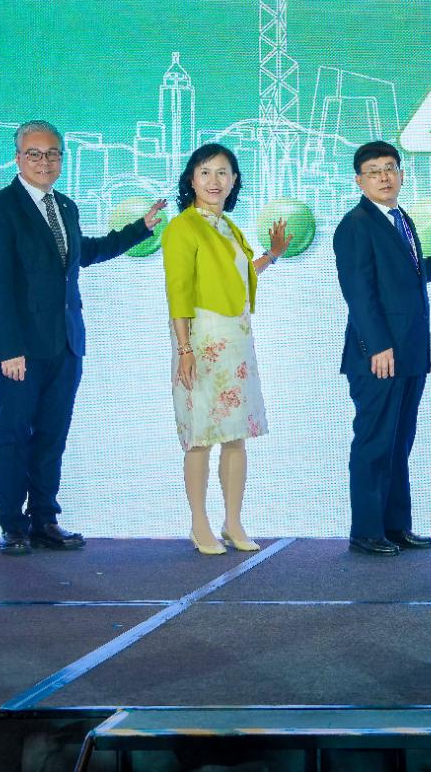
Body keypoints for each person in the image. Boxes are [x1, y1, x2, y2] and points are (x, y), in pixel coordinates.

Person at [0, 120, 166, 557]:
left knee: (52, 434)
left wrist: (139, 228)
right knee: (14, 433)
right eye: (35, 154)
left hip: (65, 342)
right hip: (18, 348)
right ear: (18, 159)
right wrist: (10, 348)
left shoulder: (65, 206)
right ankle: (13, 525)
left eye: (53, 153)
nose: (44, 161)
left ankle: (44, 519)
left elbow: (85, 253)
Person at [332, 141, 431, 557]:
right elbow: (359, 292)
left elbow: (406, 275)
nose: (384, 176)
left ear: (400, 174)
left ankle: (395, 526)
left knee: (398, 443)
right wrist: (378, 345)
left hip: (410, 351)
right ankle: (366, 531)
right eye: (374, 171)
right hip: (377, 356)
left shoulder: (401, 218)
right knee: (375, 443)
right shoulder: (356, 225)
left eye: (390, 168)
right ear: (359, 181)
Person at [161, 144, 290, 556]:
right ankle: (199, 524)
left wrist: (272, 255)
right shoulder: (182, 228)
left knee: (236, 436)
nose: (214, 181)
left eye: (222, 172)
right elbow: (178, 292)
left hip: (237, 343)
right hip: (202, 342)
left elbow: (238, 278)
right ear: (191, 180)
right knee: (200, 436)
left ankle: (233, 522)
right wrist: (184, 349)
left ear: (234, 181)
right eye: (205, 172)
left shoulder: (228, 226)